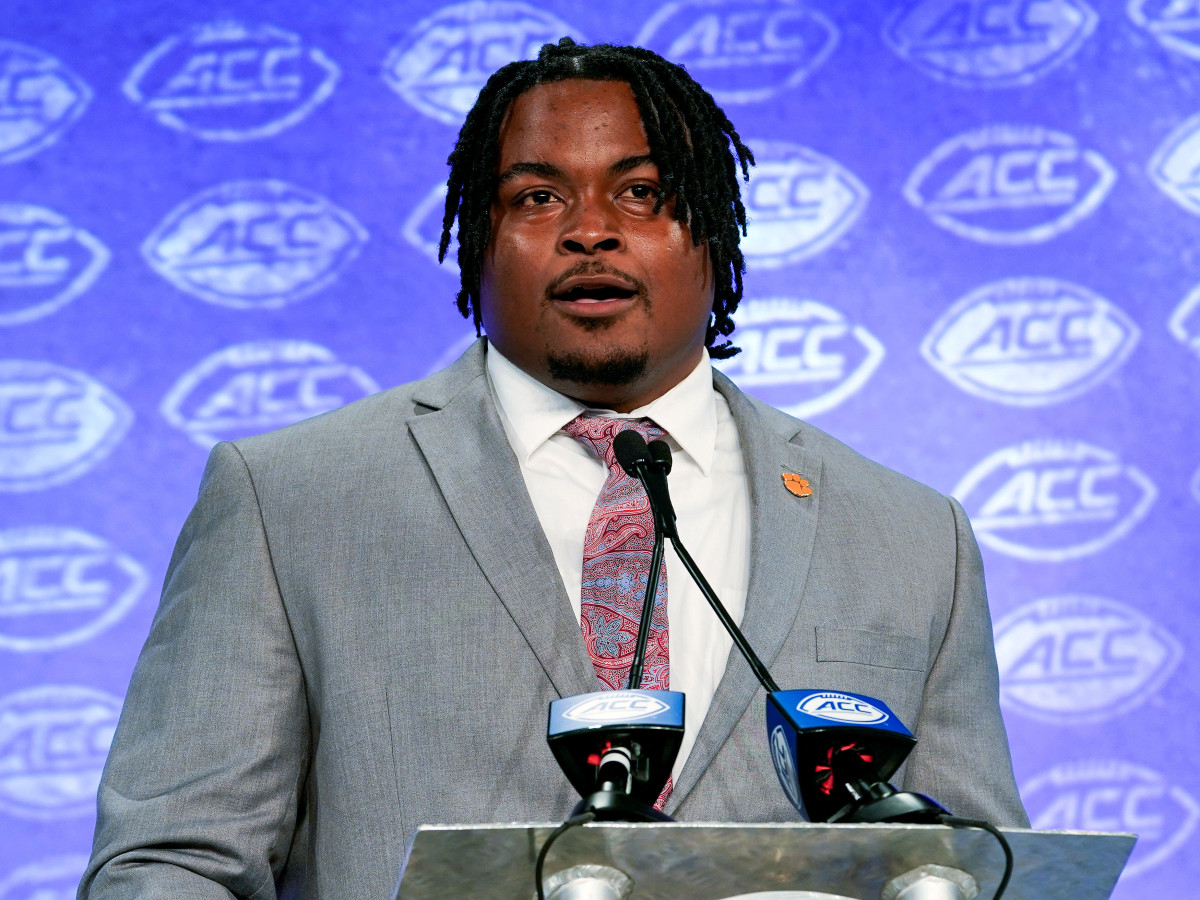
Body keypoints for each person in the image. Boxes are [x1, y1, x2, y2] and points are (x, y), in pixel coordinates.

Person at [80, 39, 1027, 900]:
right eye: (537, 197)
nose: (590, 231)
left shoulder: (907, 533)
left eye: (644, 192)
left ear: (716, 231)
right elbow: (174, 860)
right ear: (477, 240)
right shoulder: (291, 498)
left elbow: (986, 868)